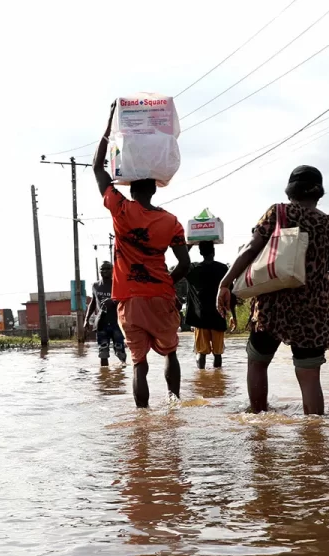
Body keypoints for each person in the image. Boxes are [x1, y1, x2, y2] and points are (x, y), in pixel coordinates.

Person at [217, 166, 329, 415]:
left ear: (290, 191)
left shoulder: (278, 212)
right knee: (309, 377)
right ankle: (314, 437)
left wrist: (225, 283)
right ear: (319, 194)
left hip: (271, 308)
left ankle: (258, 423)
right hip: (314, 311)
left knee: (257, 362)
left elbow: (250, 250)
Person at [93, 102, 191, 408]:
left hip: (130, 301)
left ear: (132, 189)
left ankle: (142, 420)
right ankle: (174, 406)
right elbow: (184, 264)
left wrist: (109, 123)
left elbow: (98, 168)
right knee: (171, 352)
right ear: (154, 190)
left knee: (139, 364)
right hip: (161, 296)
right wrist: (166, 284)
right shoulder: (171, 222)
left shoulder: (121, 210)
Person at [185, 241, 237, 370]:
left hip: (200, 318)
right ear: (213, 252)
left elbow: (182, 262)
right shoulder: (223, 269)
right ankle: (217, 380)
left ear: (201, 252)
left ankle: (201, 377)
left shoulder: (193, 269)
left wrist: (188, 246)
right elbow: (230, 295)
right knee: (218, 354)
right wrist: (233, 316)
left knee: (201, 352)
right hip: (218, 317)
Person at [85, 261, 127, 366]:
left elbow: (125, 300)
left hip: (117, 323)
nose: (104, 271)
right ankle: (104, 377)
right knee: (103, 352)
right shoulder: (95, 286)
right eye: (102, 269)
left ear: (112, 270)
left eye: (107, 269)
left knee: (120, 351)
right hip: (101, 323)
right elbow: (93, 303)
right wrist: (86, 320)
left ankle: (121, 374)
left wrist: (112, 301)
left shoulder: (118, 285)